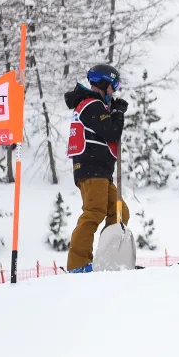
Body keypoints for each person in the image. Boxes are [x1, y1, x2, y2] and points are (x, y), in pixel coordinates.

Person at [64, 63, 129, 273]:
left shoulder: (96, 105)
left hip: (101, 171)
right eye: (114, 84)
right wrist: (118, 113)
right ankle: (78, 264)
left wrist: (115, 111)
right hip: (92, 169)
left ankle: (107, 257)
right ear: (103, 83)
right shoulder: (91, 104)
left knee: (119, 212)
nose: (115, 90)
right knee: (94, 212)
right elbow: (111, 132)